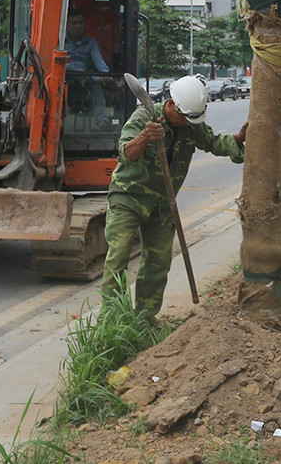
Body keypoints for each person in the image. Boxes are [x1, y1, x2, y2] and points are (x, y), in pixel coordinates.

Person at [104, 74, 246, 319]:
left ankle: (144, 319)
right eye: (182, 117)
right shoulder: (144, 118)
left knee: (158, 262)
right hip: (129, 198)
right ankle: (113, 322)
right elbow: (126, 154)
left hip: (162, 203)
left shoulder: (190, 122)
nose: (185, 123)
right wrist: (145, 137)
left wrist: (237, 140)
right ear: (170, 105)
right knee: (118, 257)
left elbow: (212, 141)